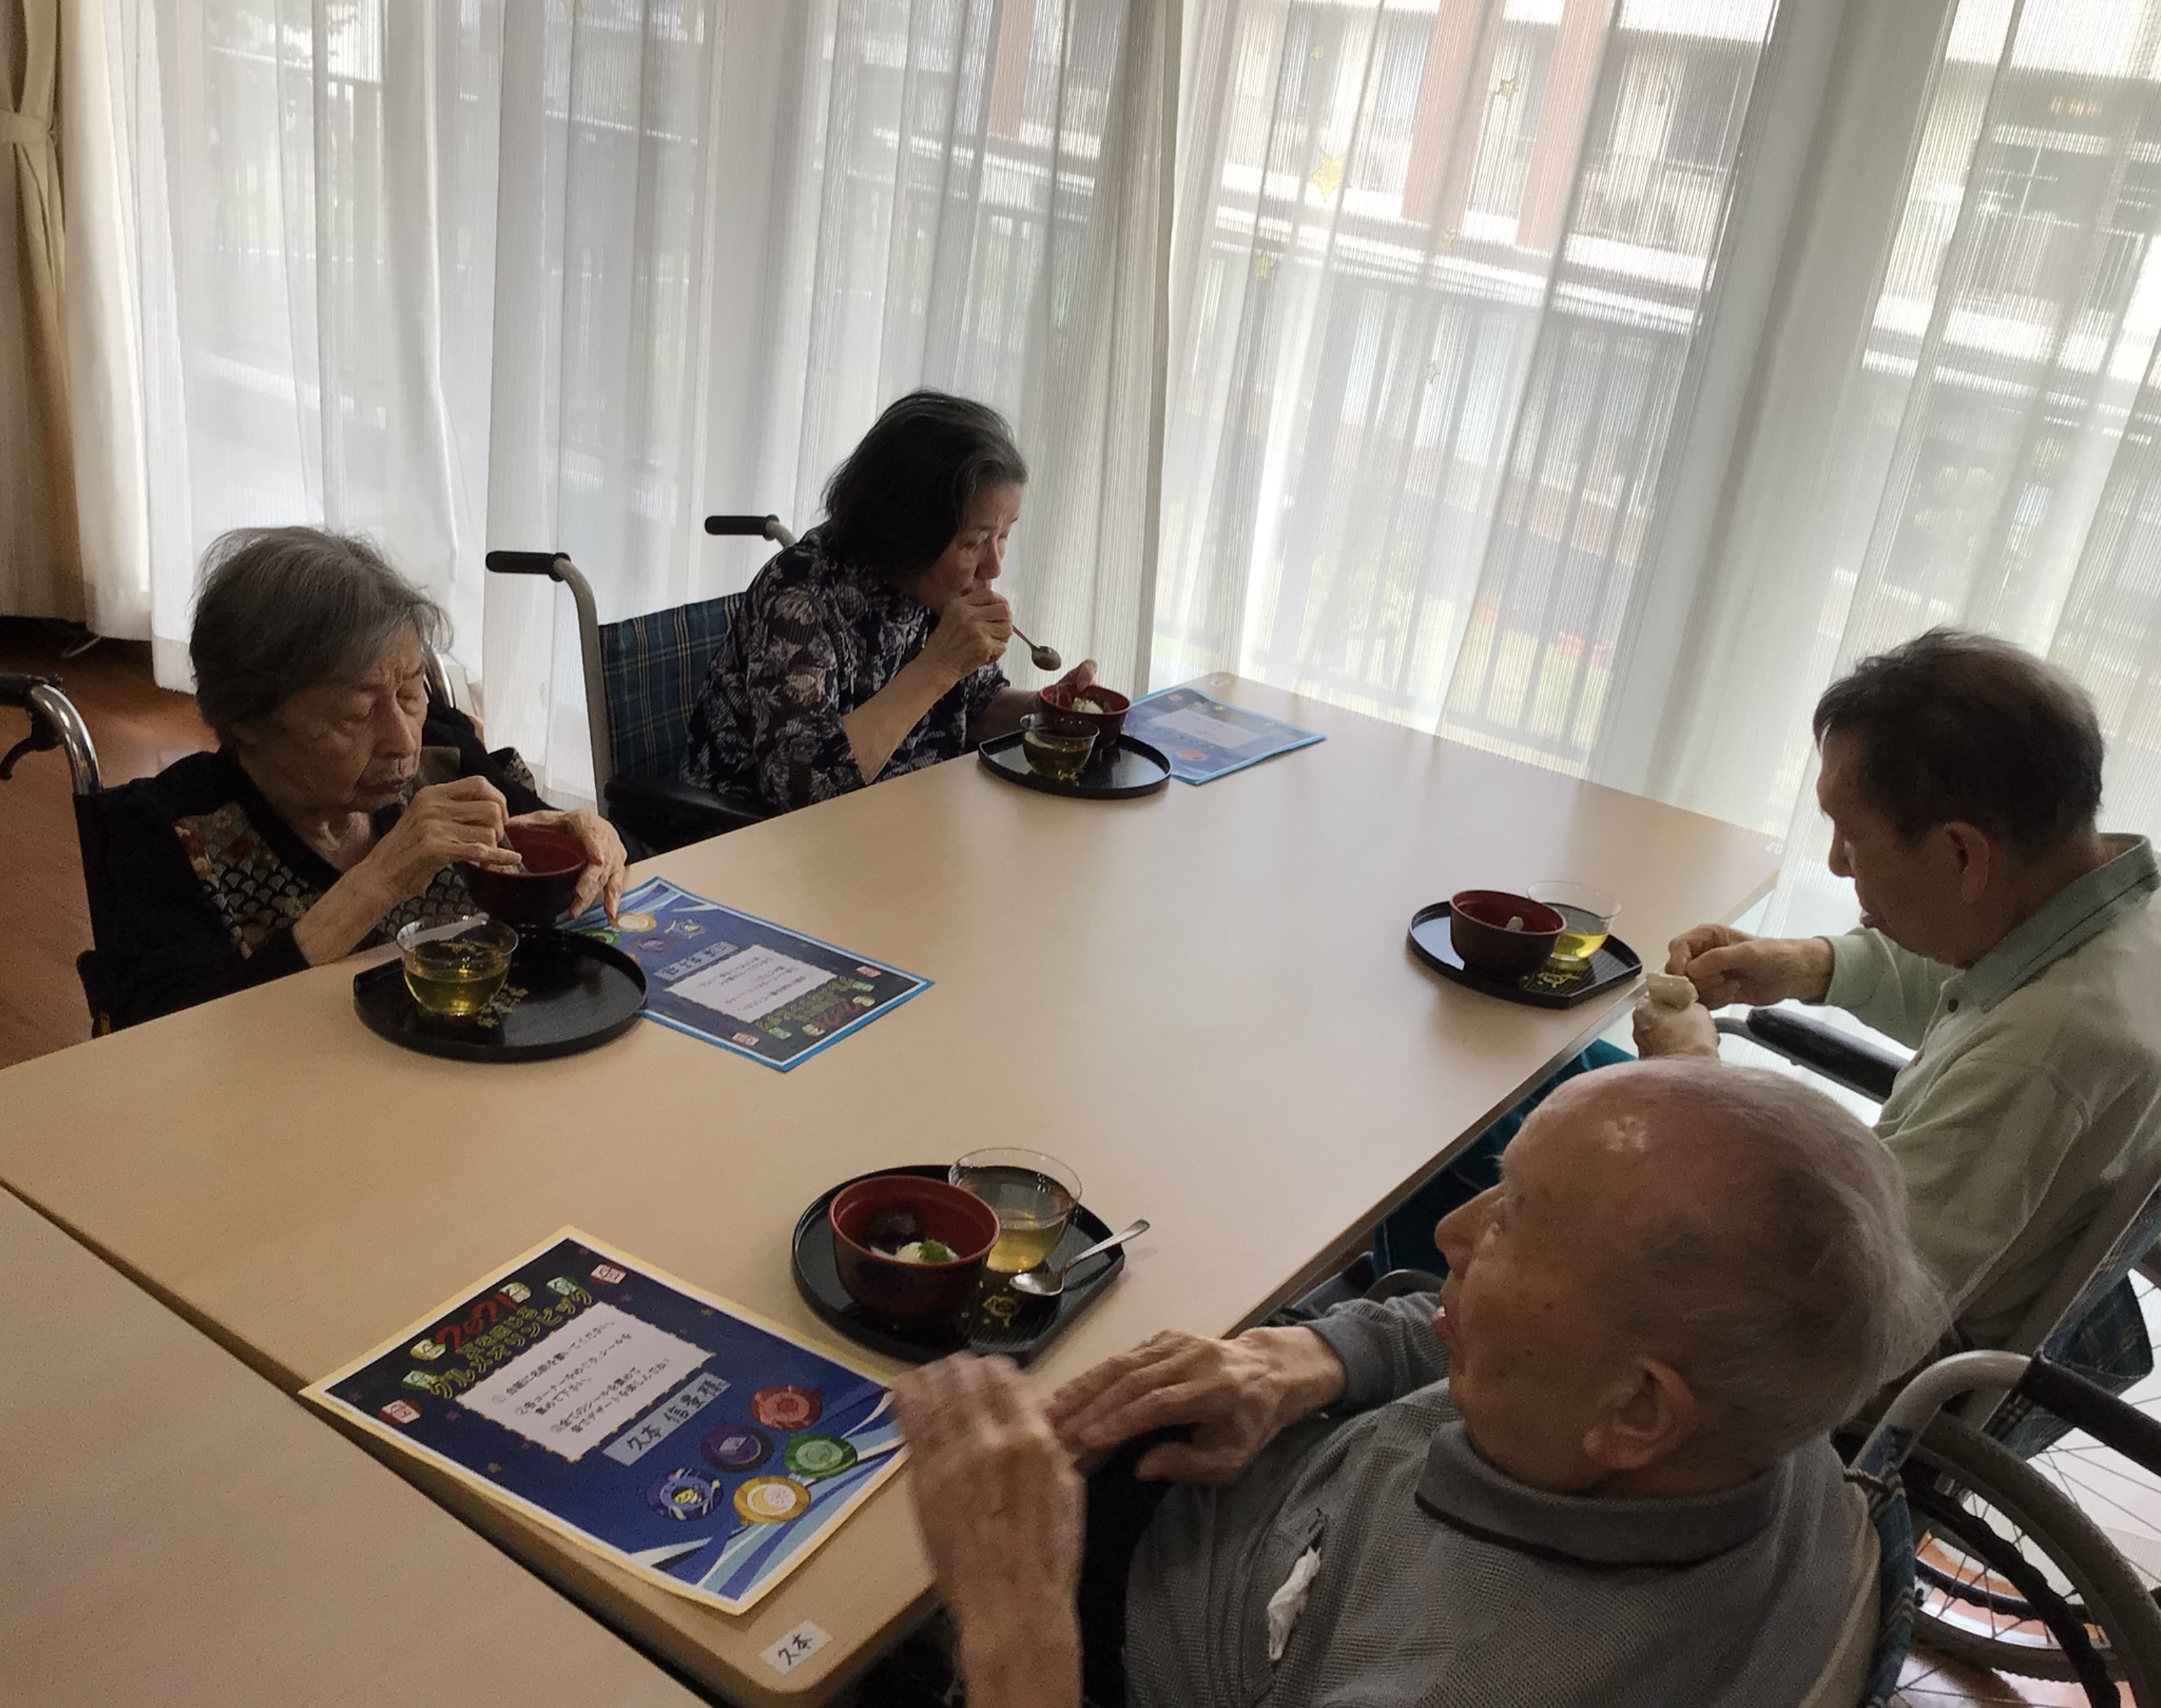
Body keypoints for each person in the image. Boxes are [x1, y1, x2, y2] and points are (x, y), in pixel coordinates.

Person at [894, 1061, 1946, 1708]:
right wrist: (1316, 1358)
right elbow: (1498, 1334)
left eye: (1515, 1220)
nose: (1451, 1231)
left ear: (1635, 1411)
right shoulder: (1749, 1415)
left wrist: (1014, 1621)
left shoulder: (1469, 1679)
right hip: (1270, 1500)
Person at [1635, 630, 2161, 1349]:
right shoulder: (2118, 921)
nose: (1836, 863)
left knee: (1549, 1131)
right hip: (1891, 1243)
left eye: (1849, 836)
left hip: (1820, 1341)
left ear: (1961, 852)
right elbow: (1983, 978)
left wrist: (1689, 1080)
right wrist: (1808, 965)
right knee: (1582, 1086)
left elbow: (1850, 1318)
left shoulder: (2042, 1054)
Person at [85, 527, 627, 1028]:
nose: (404, 742)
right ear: (248, 718)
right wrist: (379, 881)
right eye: (357, 713)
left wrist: (585, 837)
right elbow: (171, 1042)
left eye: (410, 693)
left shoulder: (441, 754)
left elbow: (547, 849)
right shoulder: (167, 834)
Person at [681, 390, 1097, 814]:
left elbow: (972, 705)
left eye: (1003, 536)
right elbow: (801, 789)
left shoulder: (935, 590)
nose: (993, 566)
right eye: (973, 543)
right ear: (906, 532)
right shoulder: (801, 598)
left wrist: (1046, 713)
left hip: (895, 820)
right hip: (751, 836)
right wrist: (937, 668)